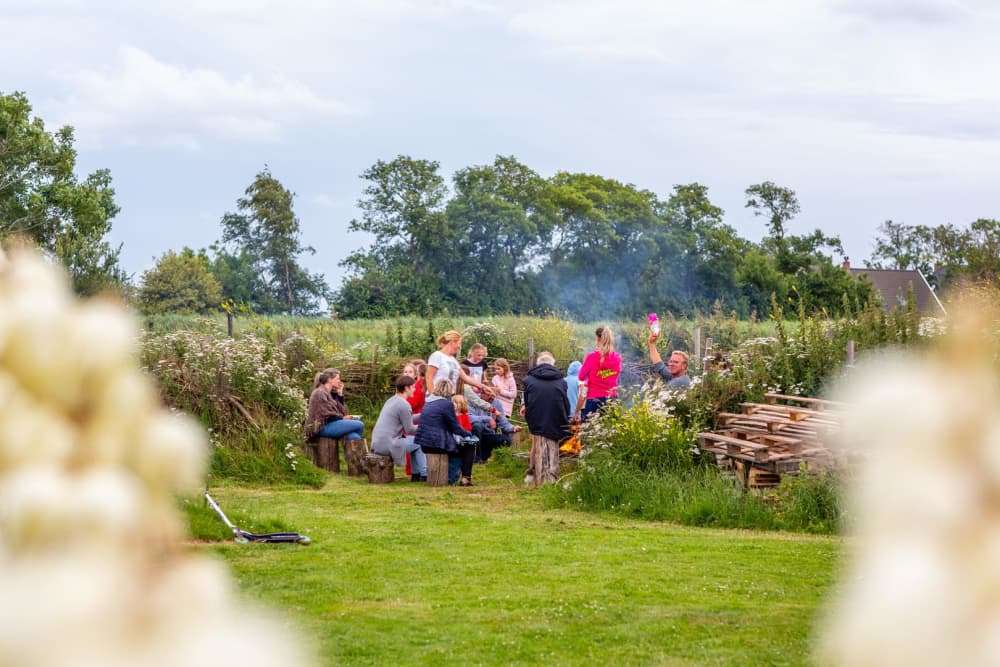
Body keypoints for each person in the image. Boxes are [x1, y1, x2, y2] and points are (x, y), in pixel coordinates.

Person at [520, 351, 571, 486]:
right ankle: (551, 478)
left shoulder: (528, 380)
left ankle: (538, 478)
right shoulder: (561, 381)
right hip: (556, 419)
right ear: (552, 364)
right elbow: (565, 402)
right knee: (553, 447)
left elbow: (527, 402)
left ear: (538, 364)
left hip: (536, 419)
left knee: (537, 446)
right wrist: (566, 418)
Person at [414, 380, 474, 486]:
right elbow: (455, 428)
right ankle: (465, 479)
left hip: (424, 444)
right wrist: (468, 434)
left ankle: (452, 477)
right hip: (437, 444)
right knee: (469, 446)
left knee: (458, 449)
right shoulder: (446, 404)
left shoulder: (428, 403)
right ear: (449, 391)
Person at [371, 375, 427, 482]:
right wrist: (425, 427)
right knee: (419, 442)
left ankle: (416, 475)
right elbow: (410, 429)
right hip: (389, 445)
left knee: (414, 443)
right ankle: (424, 474)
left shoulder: (392, 400)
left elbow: (407, 418)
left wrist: (424, 415)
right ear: (407, 388)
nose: (415, 389)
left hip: (378, 444)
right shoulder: (404, 404)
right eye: (413, 387)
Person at [303, 368, 365, 442]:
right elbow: (326, 416)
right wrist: (343, 418)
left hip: (331, 424)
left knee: (353, 436)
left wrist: (340, 394)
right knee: (359, 424)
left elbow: (342, 412)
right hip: (320, 427)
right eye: (337, 378)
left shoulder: (331, 393)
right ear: (330, 380)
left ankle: (357, 453)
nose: (340, 381)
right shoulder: (319, 393)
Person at [575, 326, 621, 421]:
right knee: (610, 433)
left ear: (598, 338)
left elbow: (581, 376)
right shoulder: (617, 358)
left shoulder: (591, 357)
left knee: (589, 433)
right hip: (612, 400)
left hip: (594, 400)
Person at [426, 331, 488, 397]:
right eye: (459, 343)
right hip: (436, 397)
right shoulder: (437, 356)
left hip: (449, 397)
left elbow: (466, 378)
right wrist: (432, 396)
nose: (459, 347)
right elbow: (429, 377)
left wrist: (484, 387)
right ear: (452, 342)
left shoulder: (453, 360)